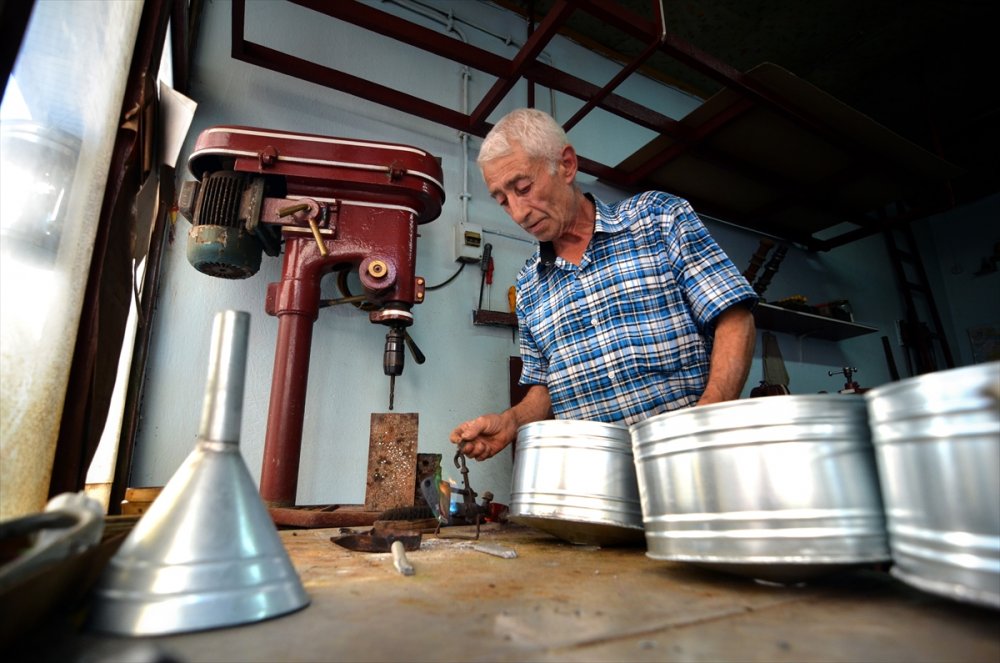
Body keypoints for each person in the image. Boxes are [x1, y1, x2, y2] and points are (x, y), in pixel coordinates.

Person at [450, 108, 757, 461]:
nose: (518, 213)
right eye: (503, 201)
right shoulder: (529, 287)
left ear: (566, 165)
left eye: (524, 188)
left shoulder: (657, 219)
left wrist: (706, 423)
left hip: (699, 462)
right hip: (601, 487)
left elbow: (733, 317)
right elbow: (546, 387)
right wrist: (510, 421)